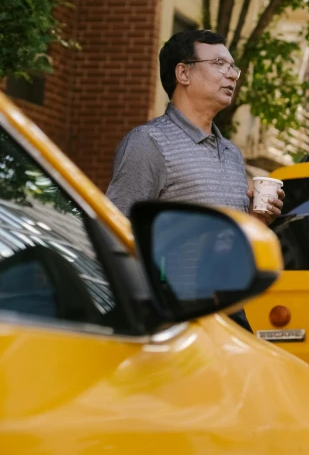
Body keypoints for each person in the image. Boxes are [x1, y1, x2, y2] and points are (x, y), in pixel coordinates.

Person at [106, 29, 284, 332]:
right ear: (183, 73)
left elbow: (230, 249)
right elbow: (116, 233)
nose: (232, 76)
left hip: (230, 319)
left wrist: (255, 221)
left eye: (233, 67)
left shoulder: (231, 153)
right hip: (176, 323)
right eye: (219, 64)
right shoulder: (148, 143)